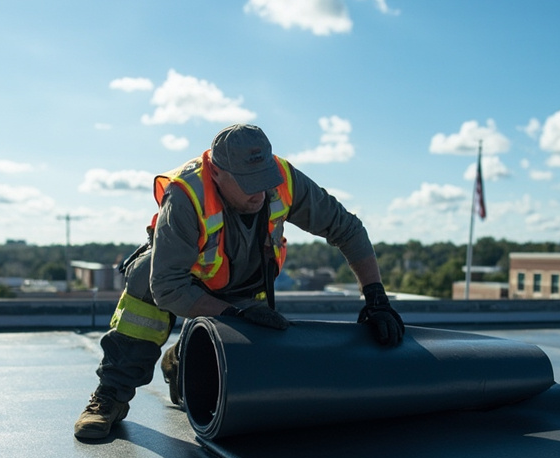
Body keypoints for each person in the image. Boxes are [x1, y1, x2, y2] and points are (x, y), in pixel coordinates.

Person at [74, 124, 405, 440]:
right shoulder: (186, 195)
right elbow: (168, 286)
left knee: (259, 374)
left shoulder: (283, 178)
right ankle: (111, 397)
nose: (260, 192)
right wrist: (235, 316)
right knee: (146, 277)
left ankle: (182, 359)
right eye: (249, 182)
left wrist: (376, 297)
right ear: (217, 173)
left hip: (247, 282)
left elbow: (347, 228)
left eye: (265, 180)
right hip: (184, 285)